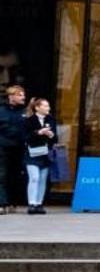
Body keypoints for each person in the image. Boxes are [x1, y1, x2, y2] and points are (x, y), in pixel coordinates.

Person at [24, 97, 56, 215]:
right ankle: (31, 203)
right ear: (37, 107)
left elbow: (55, 138)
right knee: (34, 178)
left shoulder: (51, 119)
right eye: (45, 106)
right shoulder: (29, 120)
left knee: (42, 179)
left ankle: (39, 203)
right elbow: (24, 137)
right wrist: (38, 132)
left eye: (48, 106)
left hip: (46, 153)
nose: (48, 108)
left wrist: (51, 135)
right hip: (32, 153)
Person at [0, 85, 28, 215]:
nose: (23, 97)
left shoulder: (26, 111)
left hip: (20, 148)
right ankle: (2, 203)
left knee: (16, 176)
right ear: (11, 97)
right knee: (2, 175)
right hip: (3, 148)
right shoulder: (1, 110)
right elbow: (4, 127)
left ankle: (12, 202)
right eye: (20, 95)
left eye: (23, 95)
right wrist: (18, 133)